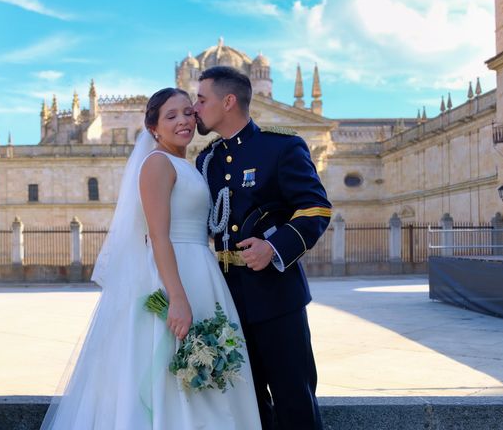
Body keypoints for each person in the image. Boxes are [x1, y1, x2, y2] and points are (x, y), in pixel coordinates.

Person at [40, 88, 261, 429]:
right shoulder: (157, 163)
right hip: (175, 276)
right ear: (154, 128)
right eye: (171, 116)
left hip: (200, 271)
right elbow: (158, 236)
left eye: (188, 112)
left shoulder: (190, 164)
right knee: (171, 370)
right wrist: (177, 298)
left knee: (203, 368)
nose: (184, 121)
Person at [194, 66, 332, 430]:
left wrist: (273, 247)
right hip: (226, 299)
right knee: (246, 400)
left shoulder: (281, 146)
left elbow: (316, 208)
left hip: (276, 295)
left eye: (201, 99)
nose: (195, 108)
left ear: (228, 101)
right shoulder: (205, 161)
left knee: (293, 398)